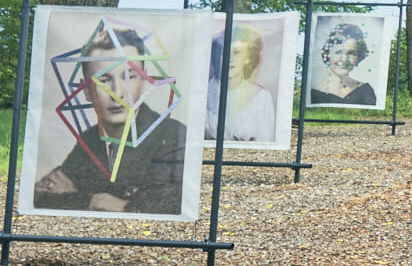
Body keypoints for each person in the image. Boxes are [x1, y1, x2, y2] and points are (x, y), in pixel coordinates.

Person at [35, 19, 190, 215]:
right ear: (87, 92)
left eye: (129, 77)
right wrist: (98, 201)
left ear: (144, 81)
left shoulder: (173, 134)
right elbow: (46, 193)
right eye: (104, 80)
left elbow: (172, 204)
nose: (117, 93)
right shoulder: (90, 138)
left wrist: (87, 197)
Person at [207, 21, 280, 143]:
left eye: (236, 52)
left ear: (247, 58)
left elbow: (265, 143)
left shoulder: (262, 98)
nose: (230, 59)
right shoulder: (204, 94)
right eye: (224, 53)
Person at [309, 20, 379, 107]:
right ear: (328, 54)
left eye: (351, 53)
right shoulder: (313, 94)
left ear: (359, 56)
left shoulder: (366, 91)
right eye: (338, 52)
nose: (344, 59)